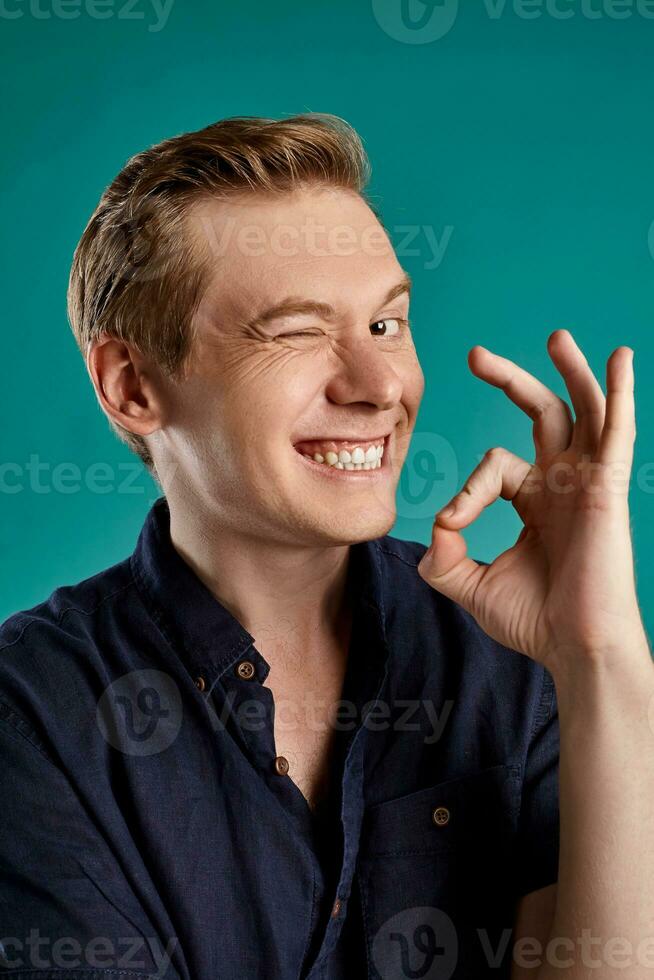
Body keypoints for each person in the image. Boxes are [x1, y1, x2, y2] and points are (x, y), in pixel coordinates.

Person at [1, 113, 651, 980]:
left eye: (387, 325)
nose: (381, 386)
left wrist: (601, 654)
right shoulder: (33, 717)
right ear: (132, 386)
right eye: (297, 331)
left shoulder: (507, 659)